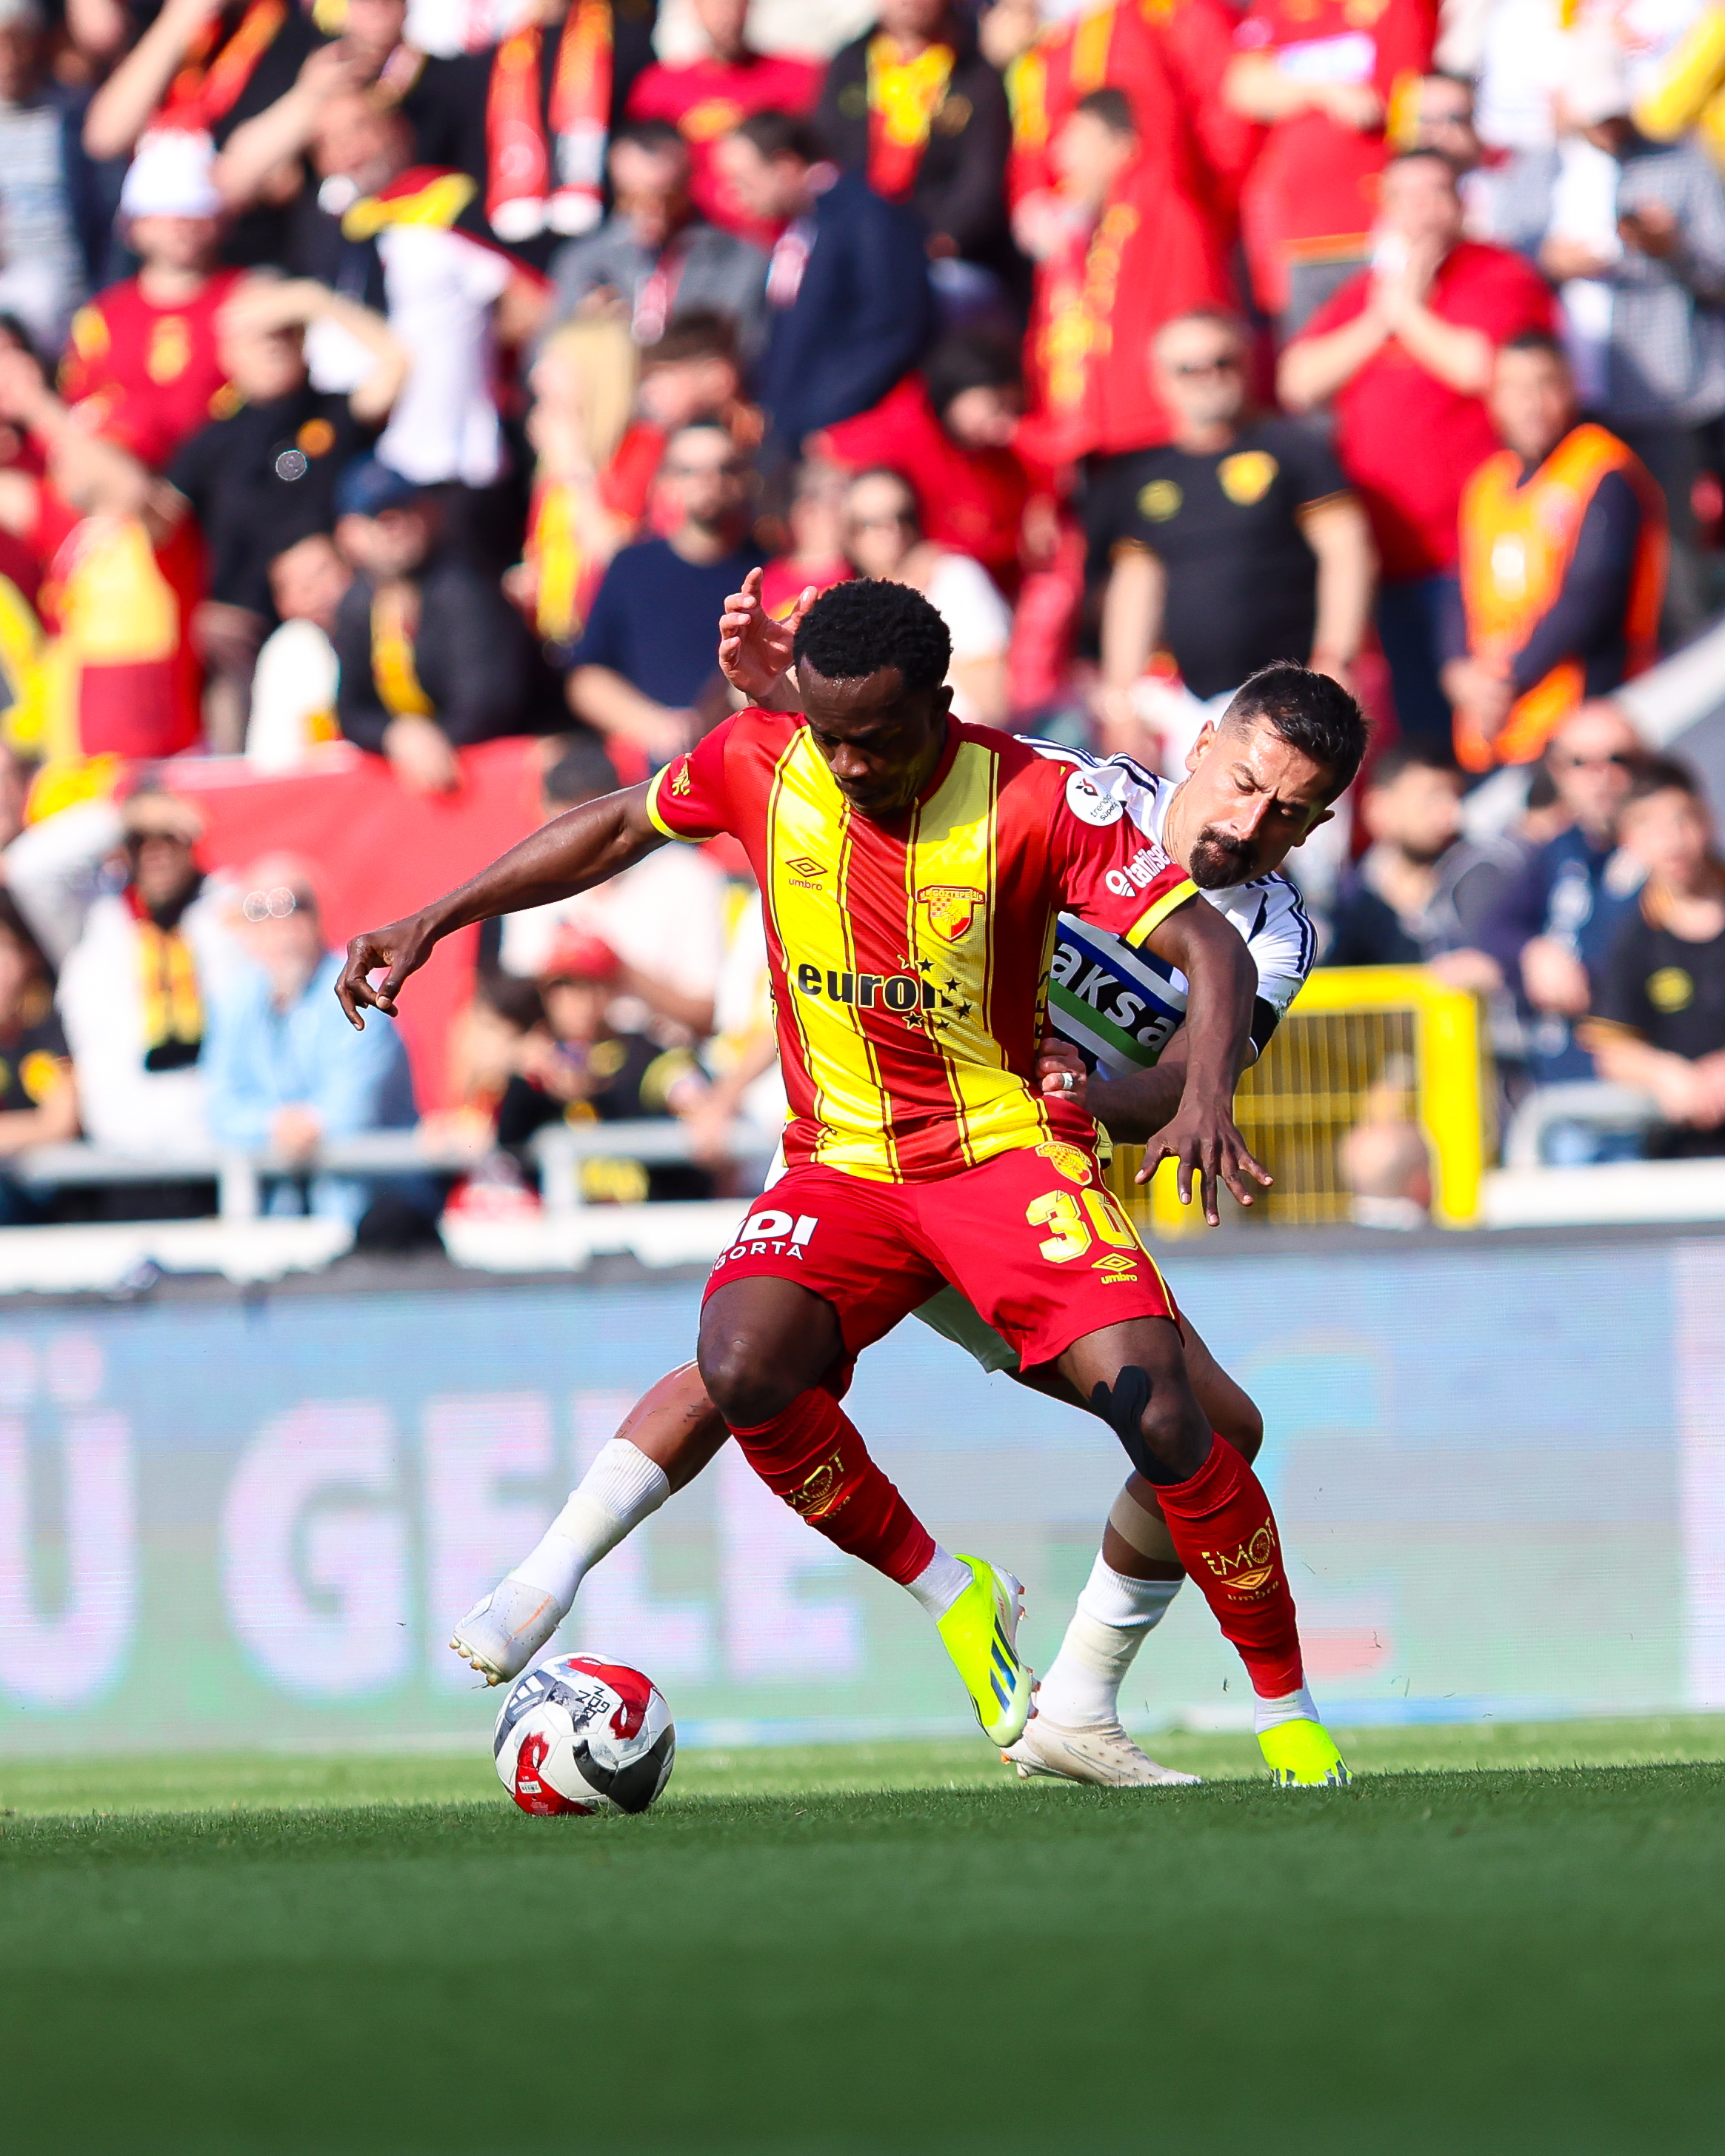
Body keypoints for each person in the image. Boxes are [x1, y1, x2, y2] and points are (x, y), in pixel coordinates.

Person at [339, 578, 1356, 1791]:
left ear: (1314, 827)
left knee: (1204, 1426)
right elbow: (853, 756)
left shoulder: (1267, 931)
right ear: (1199, 746)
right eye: (1242, 782)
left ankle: (1082, 1702)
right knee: (743, 1362)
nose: (1248, 822)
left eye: (1286, 813)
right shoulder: (1075, 790)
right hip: (862, 1133)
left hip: (1017, 1158)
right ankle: (547, 1574)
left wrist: (1107, 1092)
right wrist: (783, 694)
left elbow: (1187, 1064)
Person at [1280, 151, 1558, 749]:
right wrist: (1384, 317)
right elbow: (1298, 381)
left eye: (1435, 192)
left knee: (1496, 715)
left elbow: (1478, 367)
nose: (1421, 209)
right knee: (1423, 726)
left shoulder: (1496, 274)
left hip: (1479, 548)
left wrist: (1405, 312)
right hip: (1393, 553)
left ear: (1461, 202)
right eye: (1405, 196)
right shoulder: (1368, 293)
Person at [1090, 307, 1375, 772]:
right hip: (1192, 709)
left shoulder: (1294, 449)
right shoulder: (1144, 476)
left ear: (1248, 363)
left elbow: (1347, 552)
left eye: (1223, 362)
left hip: (1292, 698)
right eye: (1189, 369)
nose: (1210, 378)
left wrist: (1335, 660)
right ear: (1161, 380)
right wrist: (1122, 698)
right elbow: (1136, 587)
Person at [164, 273, 409, 749]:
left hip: (339, 618)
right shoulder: (208, 444)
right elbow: (158, 525)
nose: (274, 345)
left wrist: (315, 301)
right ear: (229, 352)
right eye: (259, 336)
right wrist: (197, 611)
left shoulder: (334, 412)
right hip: (242, 636)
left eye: (285, 330)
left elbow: (399, 361)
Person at [1539, 36, 1725, 645]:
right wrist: (1549, 263)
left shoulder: (1680, 162)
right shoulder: (1543, 170)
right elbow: (1502, 251)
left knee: (1675, 559)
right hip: (1572, 397)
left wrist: (1672, 248)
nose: (1608, 128)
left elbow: (1719, 274)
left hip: (1665, 392)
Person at [1444, 333, 1666, 775]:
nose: (1531, 403)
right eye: (1514, 388)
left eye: (1545, 384)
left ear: (1571, 387)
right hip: (1498, 727)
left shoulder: (1601, 469)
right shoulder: (1487, 485)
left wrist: (1508, 683)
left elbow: (1591, 597)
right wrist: (1457, 671)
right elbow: (1457, 590)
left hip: (1583, 725)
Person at [204, 855, 424, 1229]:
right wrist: (274, 1125)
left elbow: (349, 1117)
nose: (277, 926)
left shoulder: (359, 995)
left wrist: (297, 1127)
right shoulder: (235, 1000)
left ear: (318, 916)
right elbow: (219, 1111)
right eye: (257, 910)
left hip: (374, 1220)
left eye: (292, 905)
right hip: (277, 1219)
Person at [1019, 87, 1233, 468]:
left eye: (1076, 140)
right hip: (1094, 443)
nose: (1060, 157)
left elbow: (1199, 325)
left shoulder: (1167, 217)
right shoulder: (1080, 233)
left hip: (1157, 439)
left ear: (1122, 147)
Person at [715, 110, 934, 467]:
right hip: (792, 431)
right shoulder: (803, 225)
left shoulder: (865, 217)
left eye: (743, 180)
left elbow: (892, 327)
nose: (735, 194)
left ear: (786, 166)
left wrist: (822, 415)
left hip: (845, 438)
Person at [332, 459, 561, 791]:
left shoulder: (466, 587)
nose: (396, 527)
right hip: (436, 772)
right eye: (379, 518)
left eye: (406, 510)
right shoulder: (357, 604)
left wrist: (429, 740)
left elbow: (489, 705)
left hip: (510, 774)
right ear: (349, 536)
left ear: (429, 514)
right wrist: (394, 735)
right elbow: (351, 709)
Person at [496, 733, 727, 1044]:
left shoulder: (686, 876)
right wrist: (566, 968)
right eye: (564, 821)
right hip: (563, 1053)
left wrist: (616, 969)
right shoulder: (529, 882)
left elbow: (709, 1016)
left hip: (660, 1054)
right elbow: (516, 1004)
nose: (578, 836)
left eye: (589, 818)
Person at [54, 789, 242, 1157]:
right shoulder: (92, 921)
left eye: (168, 838)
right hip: (116, 1148)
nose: (155, 853)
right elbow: (32, 868)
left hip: (212, 1144)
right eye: (140, 841)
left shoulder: (227, 912)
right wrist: (122, 816)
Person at [1223, 0, 1434, 329]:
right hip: (1299, 229)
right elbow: (1244, 88)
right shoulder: (1277, 9)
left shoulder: (1392, 9)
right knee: (1306, 343)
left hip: (1375, 223)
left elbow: (1396, 100)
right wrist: (1325, 91)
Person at [565, 418, 764, 764]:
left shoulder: (770, 569)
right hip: (653, 770)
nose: (709, 481)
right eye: (690, 471)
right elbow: (587, 679)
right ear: (666, 482)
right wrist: (655, 726)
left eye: (724, 468)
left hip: (749, 760)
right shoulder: (631, 567)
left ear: (745, 478)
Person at [1479, 699, 1649, 1091]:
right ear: (1557, 772)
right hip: (1560, 1083)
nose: (1601, 777)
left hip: (1644, 1088)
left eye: (1618, 760)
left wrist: (1578, 967)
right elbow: (1494, 929)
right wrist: (1533, 952)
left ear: (1645, 765)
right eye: (1581, 763)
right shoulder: (1560, 849)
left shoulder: (1672, 856)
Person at [59, 128, 245, 470]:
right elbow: (80, 407)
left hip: (222, 468)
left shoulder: (247, 299)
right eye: (164, 212)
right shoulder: (103, 316)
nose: (181, 224)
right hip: (125, 469)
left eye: (196, 212)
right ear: (135, 226)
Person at [817, 327, 1050, 593]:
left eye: (1011, 410)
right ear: (957, 393)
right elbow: (828, 452)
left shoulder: (1004, 451)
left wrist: (1042, 506)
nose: (1003, 425)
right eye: (994, 407)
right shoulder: (907, 425)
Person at [494, 927, 710, 1203]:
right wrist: (528, 1083)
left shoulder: (644, 1054)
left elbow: (686, 1093)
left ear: (612, 991)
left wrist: (599, 1089)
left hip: (641, 1213)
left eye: (591, 984)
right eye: (563, 986)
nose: (578, 1000)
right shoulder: (534, 1058)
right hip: (559, 1213)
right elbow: (506, 1140)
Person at [815, 0, 1015, 286]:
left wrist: (942, 239)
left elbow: (982, 179)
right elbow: (825, 155)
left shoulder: (976, 75)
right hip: (851, 240)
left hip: (936, 254)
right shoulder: (849, 64)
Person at [1584, 758, 1725, 1157]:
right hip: (1682, 1155)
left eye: (1683, 821)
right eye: (1650, 827)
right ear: (1629, 840)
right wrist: (1668, 1074)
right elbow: (1611, 1050)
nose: (1672, 842)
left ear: (1707, 820)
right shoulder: (1631, 935)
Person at [547, 119, 769, 353]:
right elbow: (546, 352)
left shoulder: (736, 260)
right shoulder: (586, 261)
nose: (652, 213)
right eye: (634, 200)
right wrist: (584, 329)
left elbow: (746, 346)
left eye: (667, 199)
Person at [623, 0, 823, 250]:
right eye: (714, 4)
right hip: (694, 249)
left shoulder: (800, 77)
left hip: (779, 243)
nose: (726, 15)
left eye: (733, 3)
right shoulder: (658, 88)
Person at [840, 466, 1010, 727]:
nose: (894, 531)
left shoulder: (954, 578)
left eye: (903, 516)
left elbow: (993, 704)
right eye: (873, 523)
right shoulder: (846, 603)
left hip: (958, 739)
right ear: (850, 537)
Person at [1324, 744, 1510, 984]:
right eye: (1431, 799)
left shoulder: (1486, 884)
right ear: (1378, 809)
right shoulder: (1347, 903)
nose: (1450, 814)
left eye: (1456, 797)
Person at [0, 0, 101, 353]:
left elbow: (103, 219)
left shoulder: (74, 115)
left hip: (73, 303)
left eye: (16, 42)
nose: (8, 58)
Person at [0, 888, 78, 1223]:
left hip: (52, 1197)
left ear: (28, 954)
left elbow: (61, 1121)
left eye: (4, 949)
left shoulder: (50, 1025)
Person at [246, 531, 349, 771]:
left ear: (348, 571)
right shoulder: (291, 649)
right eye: (300, 585)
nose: (316, 590)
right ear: (281, 603)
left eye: (322, 572)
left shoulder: (383, 621)